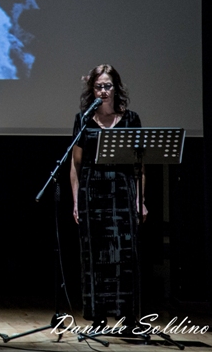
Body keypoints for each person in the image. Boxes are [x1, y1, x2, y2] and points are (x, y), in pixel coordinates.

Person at [69, 64, 145, 324]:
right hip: (92, 192)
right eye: (99, 86)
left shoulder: (131, 119)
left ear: (116, 88)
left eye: (108, 86)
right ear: (92, 90)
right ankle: (98, 317)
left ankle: (128, 318)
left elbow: (139, 166)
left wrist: (140, 200)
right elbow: (75, 165)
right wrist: (76, 201)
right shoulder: (82, 120)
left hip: (122, 191)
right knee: (95, 256)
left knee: (124, 255)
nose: (103, 91)